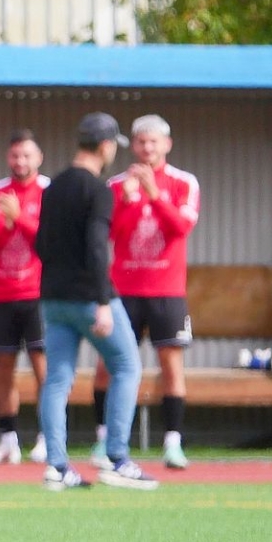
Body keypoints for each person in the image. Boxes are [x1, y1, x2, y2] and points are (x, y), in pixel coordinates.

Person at [33, 113, 157, 491]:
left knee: (57, 380)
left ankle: (57, 466)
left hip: (53, 298)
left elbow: (40, 244)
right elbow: (97, 248)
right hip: (89, 297)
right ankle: (117, 458)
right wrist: (102, 301)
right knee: (127, 367)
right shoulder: (99, 189)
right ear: (105, 146)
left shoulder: (53, 186)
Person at [93, 115, 200, 470]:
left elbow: (180, 228)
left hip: (167, 291)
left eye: (154, 141)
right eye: (141, 141)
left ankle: (173, 443)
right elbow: (109, 235)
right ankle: (103, 439)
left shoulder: (184, 182)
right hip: (123, 292)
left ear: (167, 144)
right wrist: (126, 201)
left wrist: (154, 195)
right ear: (133, 146)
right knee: (108, 365)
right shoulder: (116, 185)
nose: (147, 148)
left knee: (171, 365)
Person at [0, 130, 50, 465]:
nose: (21, 161)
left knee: (43, 368)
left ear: (39, 158)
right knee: (3, 368)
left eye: (27, 155)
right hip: (2, 295)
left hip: (39, 295)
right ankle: (7, 440)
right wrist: (6, 224)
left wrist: (20, 218)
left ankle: (48, 437)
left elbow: (51, 240)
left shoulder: (50, 192)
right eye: (15, 155)